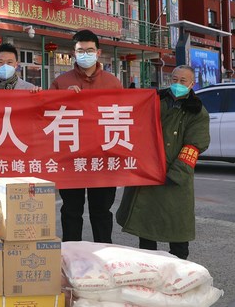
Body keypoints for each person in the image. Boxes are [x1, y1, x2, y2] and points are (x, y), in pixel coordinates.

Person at [116, 65, 210, 260]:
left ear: (192, 84)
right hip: (147, 173)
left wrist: (175, 174)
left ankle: (179, 268)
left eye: (183, 81)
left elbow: (194, 146)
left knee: (177, 230)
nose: (177, 84)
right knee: (146, 230)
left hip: (175, 178)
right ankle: (149, 268)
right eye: (174, 79)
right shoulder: (154, 100)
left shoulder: (197, 112)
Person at [50, 29, 122, 243]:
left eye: (90, 50)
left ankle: (104, 253)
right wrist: (63, 99)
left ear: (98, 52)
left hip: (103, 158)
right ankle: (72, 255)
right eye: (81, 51)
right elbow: (46, 116)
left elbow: (124, 117)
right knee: (71, 211)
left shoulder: (112, 83)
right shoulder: (61, 82)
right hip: (71, 158)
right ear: (74, 53)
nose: (85, 54)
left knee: (101, 212)